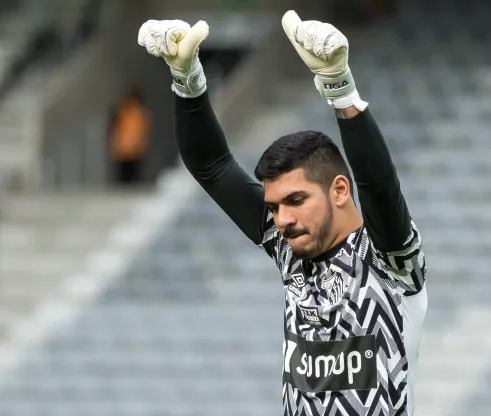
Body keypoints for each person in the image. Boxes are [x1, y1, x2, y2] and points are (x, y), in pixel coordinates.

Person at [138, 11, 428, 416]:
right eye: (273, 206)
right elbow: (213, 166)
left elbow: (380, 187)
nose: (281, 219)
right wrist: (186, 80)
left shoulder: (390, 264)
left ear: (340, 190)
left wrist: (340, 89)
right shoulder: (288, 249)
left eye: (295, 200)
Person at [109, 87, 151, 185]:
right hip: (127, 149)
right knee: (127, 177)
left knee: (129, 177)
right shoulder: (126, 111)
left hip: (130, 149)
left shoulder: (128, 112)